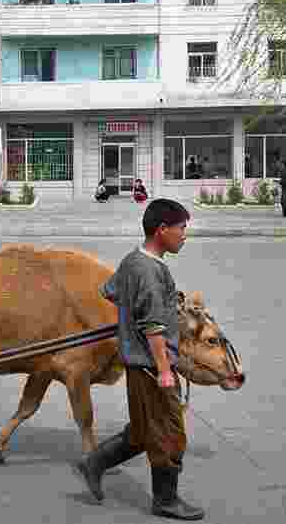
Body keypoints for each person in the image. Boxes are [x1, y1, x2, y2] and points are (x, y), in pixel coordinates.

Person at [72, 199, 205, 521]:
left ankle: (95, 462)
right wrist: (164, 370)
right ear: (162, 230)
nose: (185, 235)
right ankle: (165, 500)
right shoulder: (151, 271)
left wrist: (132, 314)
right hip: (150, 366)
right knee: (170, 434)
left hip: (136, 363)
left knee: (145, 431)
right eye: (182, 228)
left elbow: (111, 291)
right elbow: (154, 327)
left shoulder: (132, 261)